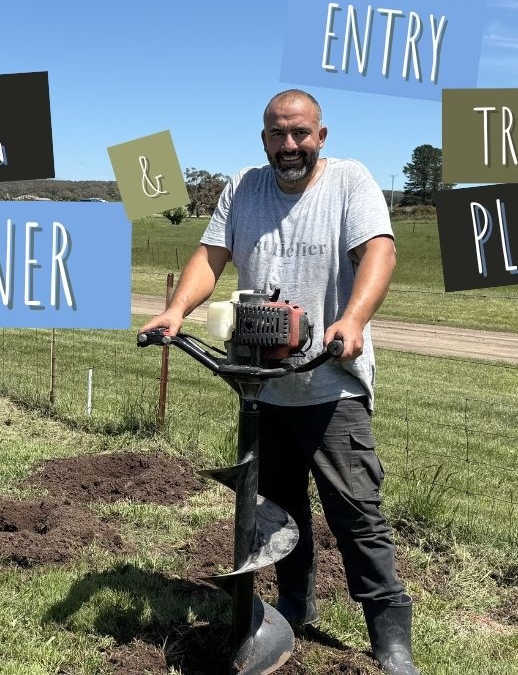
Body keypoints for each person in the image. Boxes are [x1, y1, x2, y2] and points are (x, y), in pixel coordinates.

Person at [139, 89, 418, 674]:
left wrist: (353, 320)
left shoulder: (350, 182)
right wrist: (176, 310)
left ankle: (390, 635)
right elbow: (210, 257)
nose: (289, 145)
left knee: (356, 513)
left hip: (330, 384)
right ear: (263, 138)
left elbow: (380, 253)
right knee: (279, 509)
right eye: (277, 134)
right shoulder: (243, 188)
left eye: (299, 133)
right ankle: (295, 603)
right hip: (263, 386)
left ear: (320, 136)